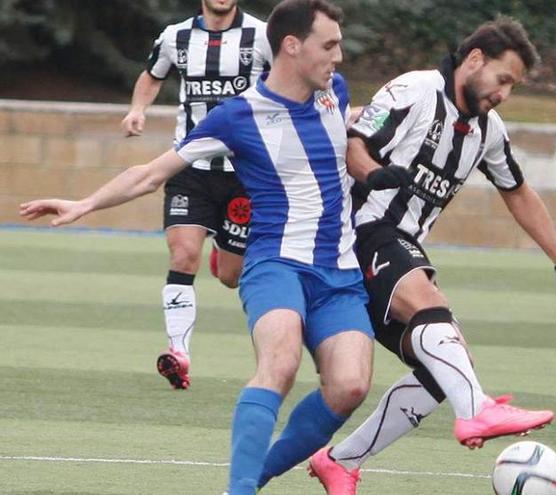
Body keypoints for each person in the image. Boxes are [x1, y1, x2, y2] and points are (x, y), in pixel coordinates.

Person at [21, 1, 375, 493]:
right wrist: (84, 203)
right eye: (330, 45)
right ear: (292, 47)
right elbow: (151, 174)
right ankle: (241, 489)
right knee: (281, 362)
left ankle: (258, 475)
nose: (339, 56)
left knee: (351, 386)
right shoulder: (238, 116)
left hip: (339, 273)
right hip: (276, 265)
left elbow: (350, 143)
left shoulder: (333, 91)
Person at [258, 17, 556, 494]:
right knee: (430, 309)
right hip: (358, 233)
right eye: (503, 80)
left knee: (444, 371)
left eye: (512, 87)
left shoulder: (488, 131)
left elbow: (518, 192)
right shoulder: (416, 90)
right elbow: (357, 143)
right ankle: (475, 410)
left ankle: (341, 461)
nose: (504, 94)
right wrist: (373, 175)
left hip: (396, 246)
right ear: (474, 60)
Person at [120, 0, 271, 389]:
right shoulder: (176, 37)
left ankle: (223, 252)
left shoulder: (262, 35)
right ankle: (178, 352)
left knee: (230, 277)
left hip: (244, 173)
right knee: (184, 254)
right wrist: (138, 109)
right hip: (189, 168)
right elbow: (152, 75)